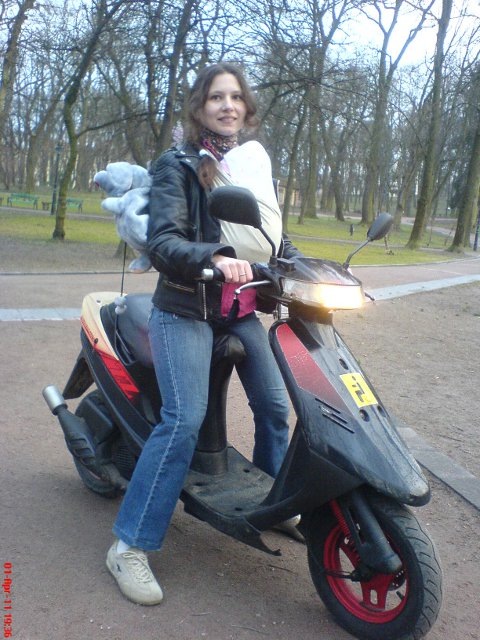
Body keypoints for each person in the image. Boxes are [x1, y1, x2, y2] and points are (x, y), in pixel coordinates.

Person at [106, 62, 301, 605]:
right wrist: (213, 256)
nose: (227, 105)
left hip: (238, 310)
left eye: (236, 97)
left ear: (247, 107)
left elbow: (269, 234)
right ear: (200, 106)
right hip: (185, 308)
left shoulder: (251, 162)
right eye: (217, 97)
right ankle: (128, 546)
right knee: (183, 421)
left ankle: (273, 504)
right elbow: (164, 240)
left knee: (275, 407)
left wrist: (303, 264)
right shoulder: (177, 163)